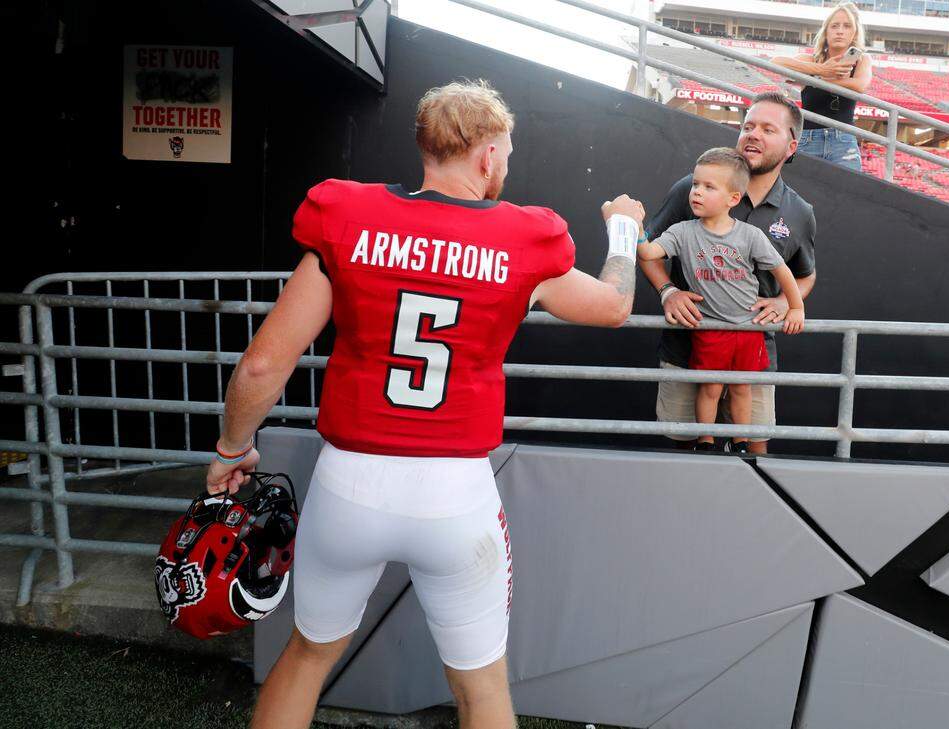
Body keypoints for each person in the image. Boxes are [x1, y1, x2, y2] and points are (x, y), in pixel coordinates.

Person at [203, 80, 642, 729]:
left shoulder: (347, 218)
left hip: (348, 482)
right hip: (453, 491)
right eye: (508, 152)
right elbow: (614, 305)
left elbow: (264, 363)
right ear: (488, 155)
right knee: (483, 691)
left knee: (305, 657)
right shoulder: (524, 239)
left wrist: (231, 449)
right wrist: (626, 230)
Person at [640, 92, 817, 455]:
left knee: (753, 455)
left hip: (752, 355)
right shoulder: (693, 188)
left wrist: (786, 303)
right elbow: (650, 251)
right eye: (748, 125)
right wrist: (667, 292)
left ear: (791, 146)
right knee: (684, 455)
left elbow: (805, 274)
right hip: (686, 350)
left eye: (768, 129)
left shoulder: (799, 212)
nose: (753, 134)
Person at [771, 1, 873, 172]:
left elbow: (860, 85)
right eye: (834, 26)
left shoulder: (861, 60)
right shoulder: (810, 60)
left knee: (847, 194)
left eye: (847, 26)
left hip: (844, 141)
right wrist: (822, 69)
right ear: (826, 32)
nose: (840, 31)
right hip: (808, 139)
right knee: (802, 192)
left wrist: (816, 79)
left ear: (854, 33)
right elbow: (775, 63)